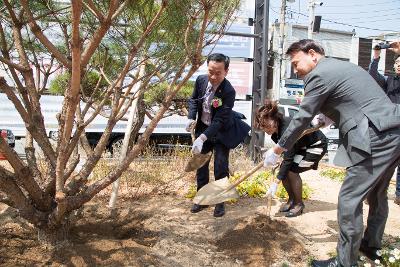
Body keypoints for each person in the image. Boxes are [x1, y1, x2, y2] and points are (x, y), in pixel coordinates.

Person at [262, 39, 400, 267]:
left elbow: (302, 116)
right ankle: (370, 245)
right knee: (376, 193)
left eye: (297, 63)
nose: (295, 70)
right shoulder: (342, 67)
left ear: (312, 54)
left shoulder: (319, 74)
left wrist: (277, 149)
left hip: (375, 135)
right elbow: (352, 100)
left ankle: (345, 263)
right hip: (393, 129)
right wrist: (327, 116)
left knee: (349, 198)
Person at [186, 53, 250, 217]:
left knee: (220, 167)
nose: (213, 76)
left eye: (218, 73)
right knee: (200, 165)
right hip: (203, 127)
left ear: (226, 72)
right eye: (211, 71)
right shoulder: (200, 80)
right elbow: (193, 100)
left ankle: (219, 203)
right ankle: (201, 200)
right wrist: (191, 117)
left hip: (221, 133)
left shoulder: (229, 91)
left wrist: (202, 138)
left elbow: (219, 121)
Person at [254, 99, 328, 217]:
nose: (267, 130)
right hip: (302, 147)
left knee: (292, 171)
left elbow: (288, 158)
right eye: (264, 128)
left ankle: (299, 204)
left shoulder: (286, 129)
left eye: (268, 126)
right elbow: (286, 154)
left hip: (316, 145)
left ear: (275, 118)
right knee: (285, 170)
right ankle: (292, 200)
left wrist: (276, 182)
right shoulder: (275, 133)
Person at [368, 42, 400, 206]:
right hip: (388, 126)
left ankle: (399, 195)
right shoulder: (389, 80)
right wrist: (376, 55)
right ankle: (373, 192)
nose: (399, 65)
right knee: (382, 161)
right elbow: (373, 74)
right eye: (397, 63)